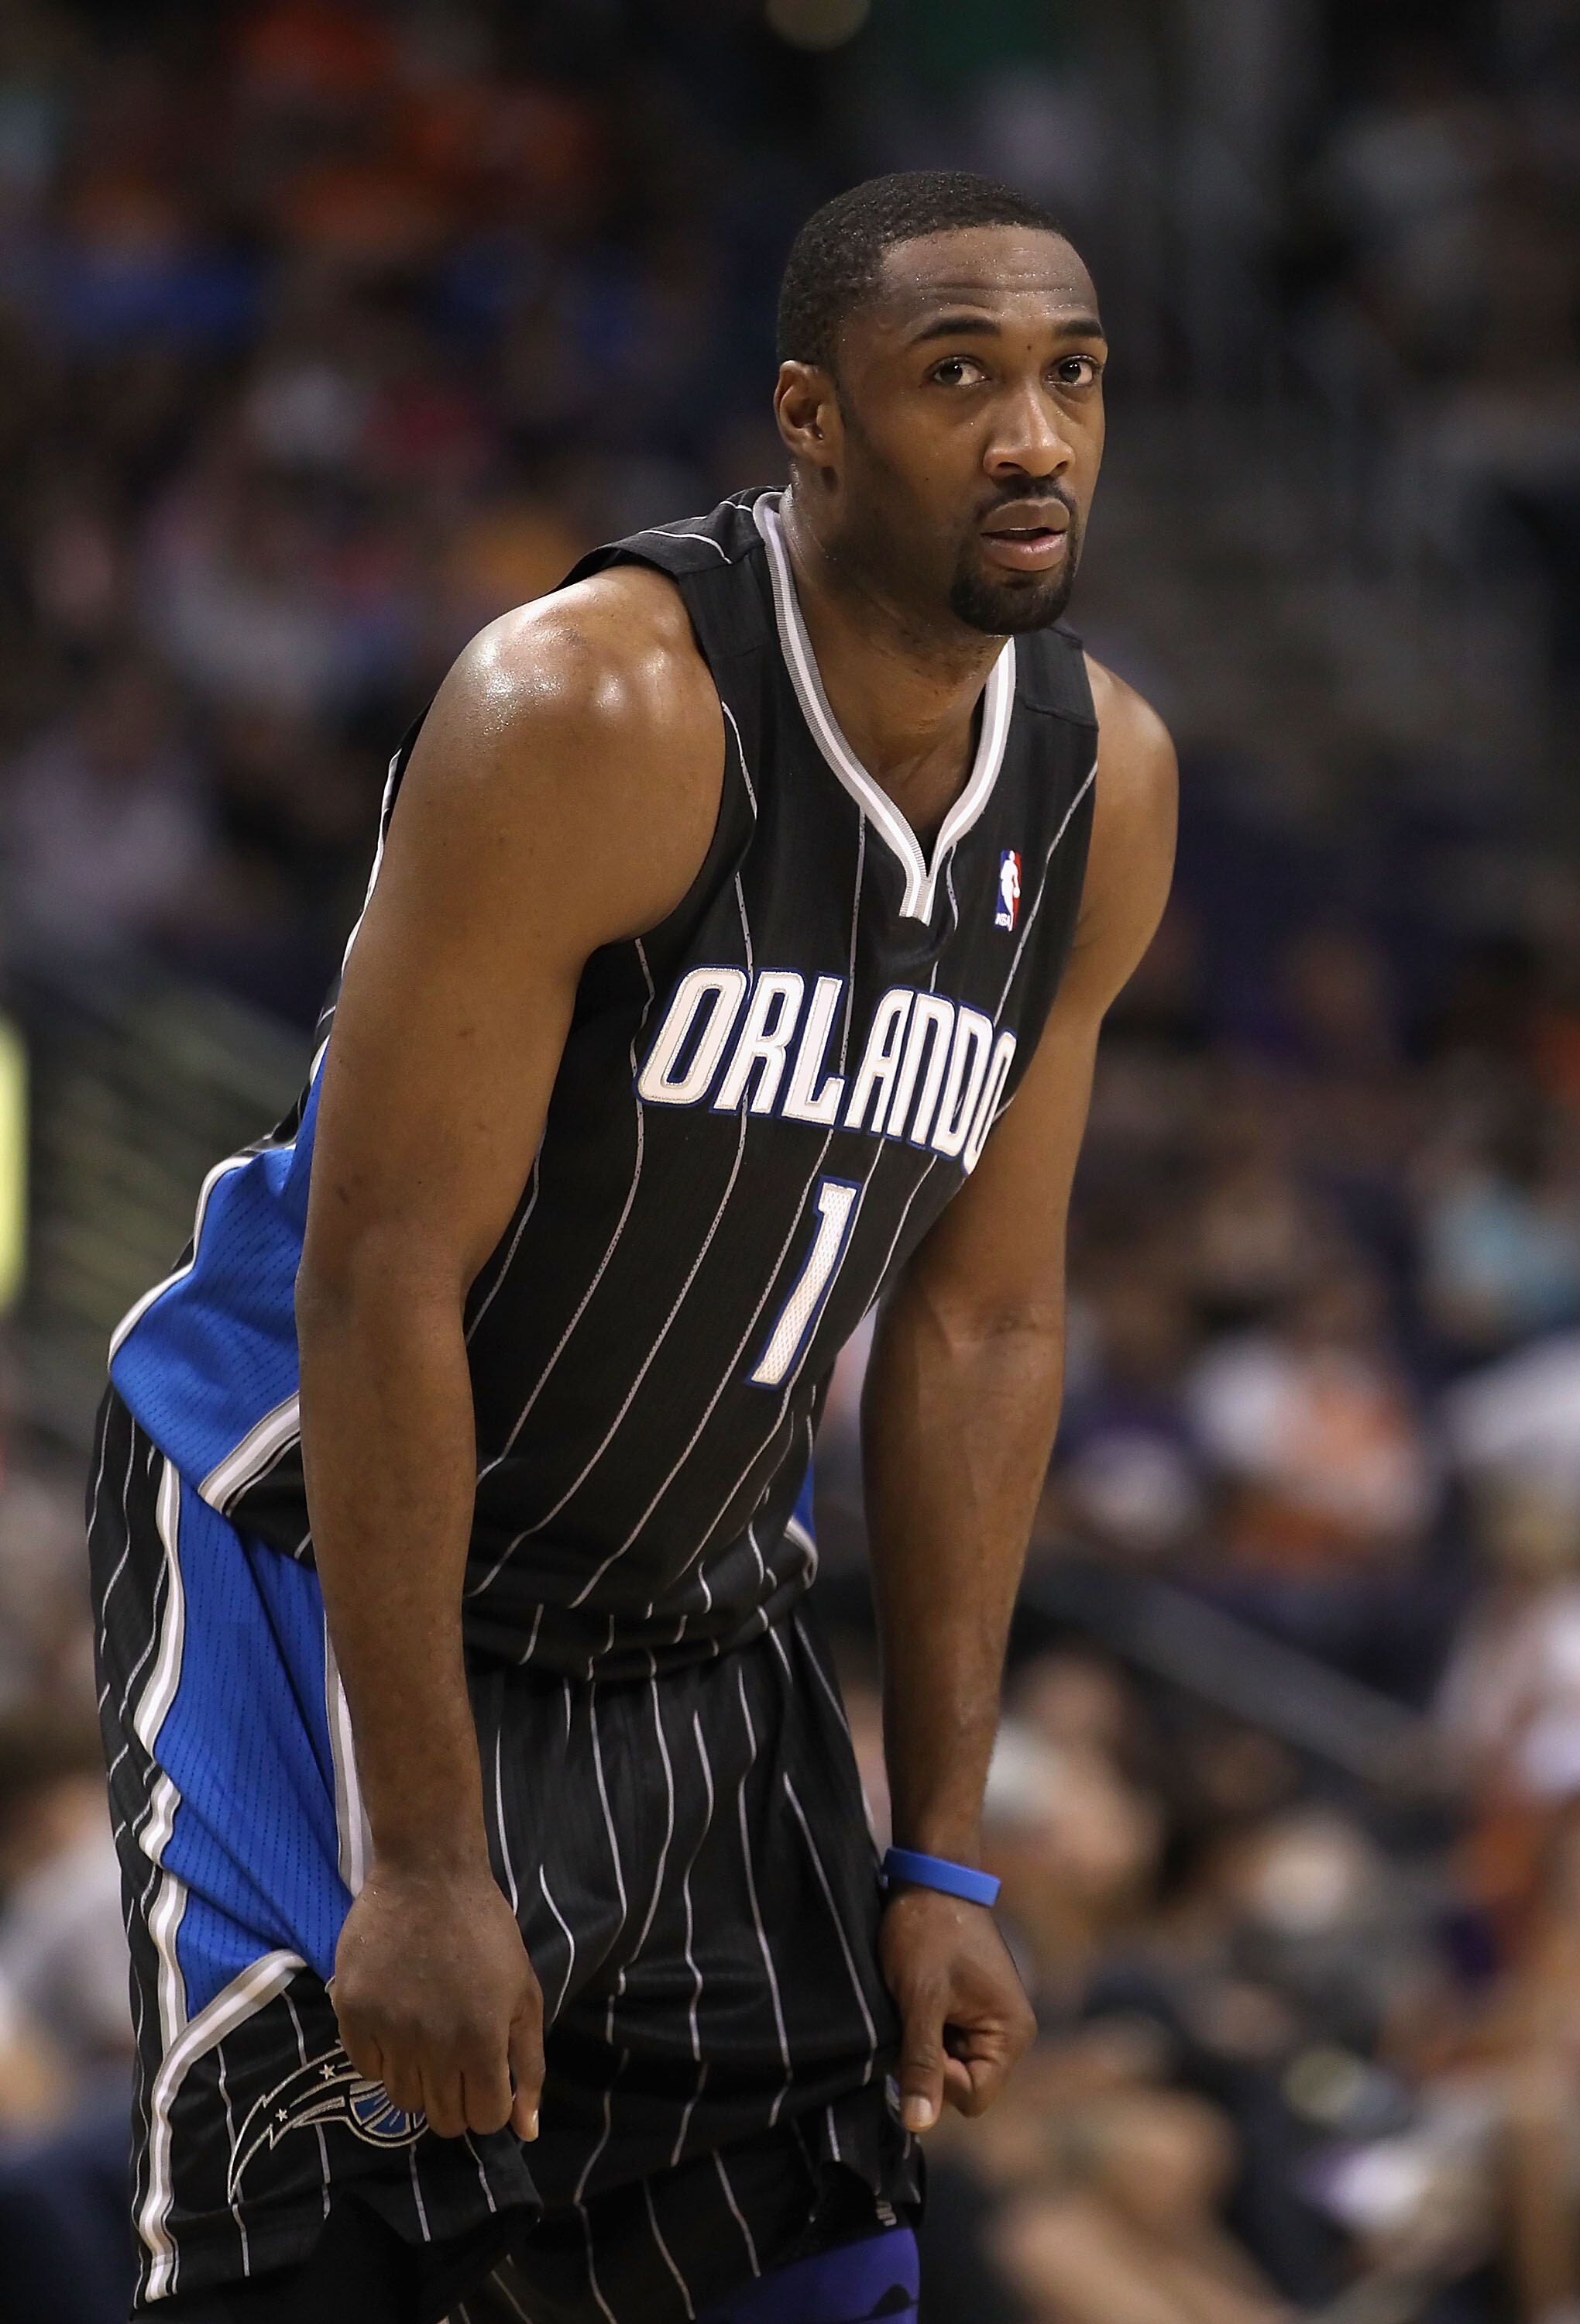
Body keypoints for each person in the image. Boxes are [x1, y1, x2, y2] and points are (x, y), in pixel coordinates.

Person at [90, 170, 1176, 2324]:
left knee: (822, 2256)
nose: (1034, 438)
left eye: (1070, 380)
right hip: (319, 1547)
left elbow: (983, 1320)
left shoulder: (1097, 782)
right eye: (958, 379)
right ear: (812, 417)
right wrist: (416, 1853)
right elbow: (378, 1280)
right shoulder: (588, 711)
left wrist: (943, 1850)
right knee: (318, 2256)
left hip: (683, 1601)